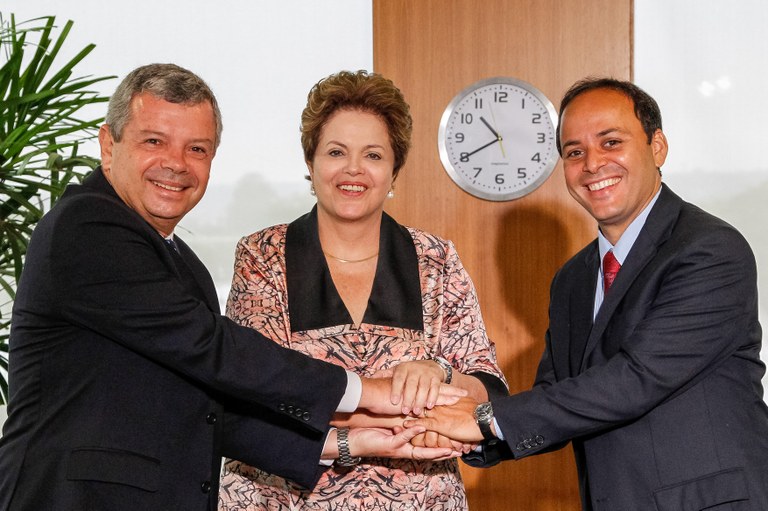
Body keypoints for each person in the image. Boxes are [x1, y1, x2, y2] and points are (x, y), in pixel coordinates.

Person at [0, 63, 463, 511]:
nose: (176, 164)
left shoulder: (187, 267)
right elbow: (218, 350)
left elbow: (207, 408)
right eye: (154, 141)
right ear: (108, 145)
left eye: (197, 149)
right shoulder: (86, 227)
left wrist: (347, 440)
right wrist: (368, 391)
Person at [408, 77, 768, 510]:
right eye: (574, 152)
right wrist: (460, 434)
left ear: (658, 147)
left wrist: (483, 421)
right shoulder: (573, 279)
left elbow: (636, 379)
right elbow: (558, 392)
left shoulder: (709, 250)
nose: (593, 164)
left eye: (611, 142)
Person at [218, 70, 508, 510]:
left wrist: (441, 375)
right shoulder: (263, 256)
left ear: (394, 171)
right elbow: (256, 393)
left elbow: (489, 390)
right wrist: (414, 410)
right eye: (337, 152)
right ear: (310, 163)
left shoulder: (436, 259)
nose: (353, 169)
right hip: (280, 499)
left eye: (373, 155)